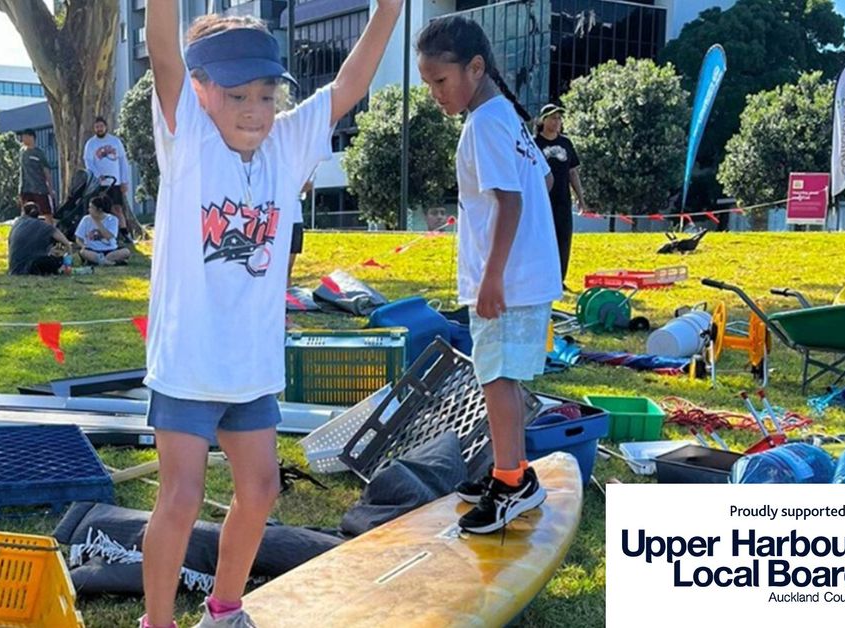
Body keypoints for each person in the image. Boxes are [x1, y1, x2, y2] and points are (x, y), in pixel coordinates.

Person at [142, 0, 402, 625]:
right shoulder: (189, 139)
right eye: (238, 96)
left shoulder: (287, 144)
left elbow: (349, 85)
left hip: (252, 366)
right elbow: (161, 50)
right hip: (189, 363)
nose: (256, 110)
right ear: (201, 92)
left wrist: (389, 7)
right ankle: (157, 621)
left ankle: (224, 610)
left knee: (260, 490)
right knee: (181, 498)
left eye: (266, 94)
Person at [417, 15, 562, 534]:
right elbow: (542, 180)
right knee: (500, 376)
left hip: (508, 280)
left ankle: (510, 483)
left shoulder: (484, 124)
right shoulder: (506, 118)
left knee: (496, 378)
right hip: (526, 274)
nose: (435, 93)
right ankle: (513, 470)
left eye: (440, 80)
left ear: (475, 68)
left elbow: (511, 199)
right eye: (428, 83)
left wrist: (492, 275)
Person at [533, 104, 591, 290]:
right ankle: (541, 278)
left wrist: (580, 199)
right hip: (541, 201)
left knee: (563, 239)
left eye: (559, 118)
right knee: (542, 240)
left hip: (562, 200)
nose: (557, 121)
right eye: (553, 118)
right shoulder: (534, 144)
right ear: (543, 121)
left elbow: (573, 172)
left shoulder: (566, 143)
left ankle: (559, 280)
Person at [83, 116, 133, 242]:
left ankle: (125, 234)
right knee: (99, 209)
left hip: (115, 182)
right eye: (97, 127)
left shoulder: (115, 141)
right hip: (99, 183)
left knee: (117, 209)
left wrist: (124, 181)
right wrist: (97, 175)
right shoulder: (91, 144)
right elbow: (88, 162)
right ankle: (99, 235)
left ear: (106, 127)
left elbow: (122, 161)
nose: (99, 129)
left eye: (101, 126)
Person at [8, 201, 73, 276]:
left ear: (23, 213)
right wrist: (68, 259)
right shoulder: (45, 227)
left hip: (14, 269)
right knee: (57, 260)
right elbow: (66, 243)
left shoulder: (16, 225)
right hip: (32, 267)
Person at [75, 195, 131, 266]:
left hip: (110, 250)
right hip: (93, 250)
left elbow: (108, 236)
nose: (89, 210)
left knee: (126, 252)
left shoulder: (112, 219)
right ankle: (110, 262)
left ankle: (101, 261)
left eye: (91, 207)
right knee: (83, 252)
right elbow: (78, 238)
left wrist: (97, 221)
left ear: (99, 209)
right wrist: (83, 245)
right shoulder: (86, 219)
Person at [17, 128, 55, 222]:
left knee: (46, 212)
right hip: (25, 189)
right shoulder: (22, 152)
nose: (23, 139)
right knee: (26, 213)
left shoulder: (39, 153)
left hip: (39, 189)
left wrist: (50, 189)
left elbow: (46, 171)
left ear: (32, 137)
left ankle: (50, 231)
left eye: (25, 137)